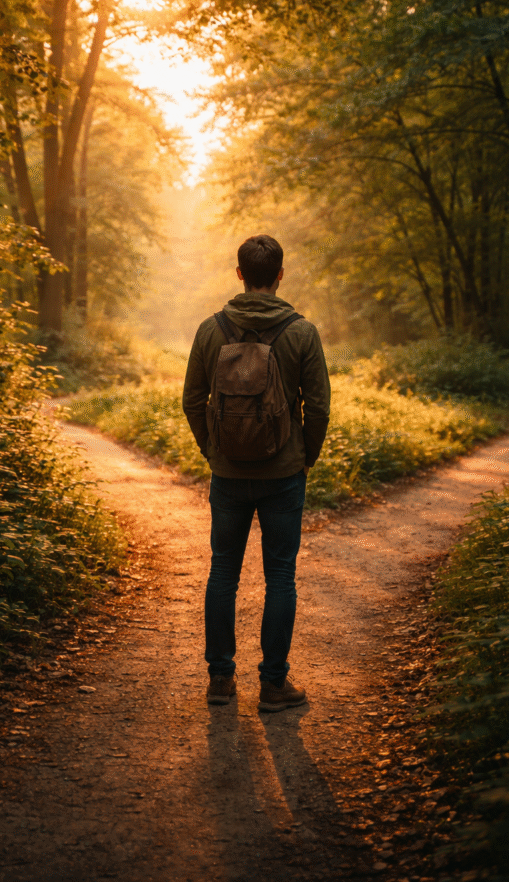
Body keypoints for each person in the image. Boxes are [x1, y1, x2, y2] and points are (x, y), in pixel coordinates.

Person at [182, 234, 331, 711]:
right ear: (280, 274)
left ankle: (221, 681)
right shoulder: (302, 332)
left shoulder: (210, 330)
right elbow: (320, 406)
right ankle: (273, 685)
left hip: (228, 474)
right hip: (283, 474)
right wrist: (305, 455)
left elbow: (192, 401)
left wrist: (213, 449)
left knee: (223, 570)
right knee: (280, 575)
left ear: (240, 273)